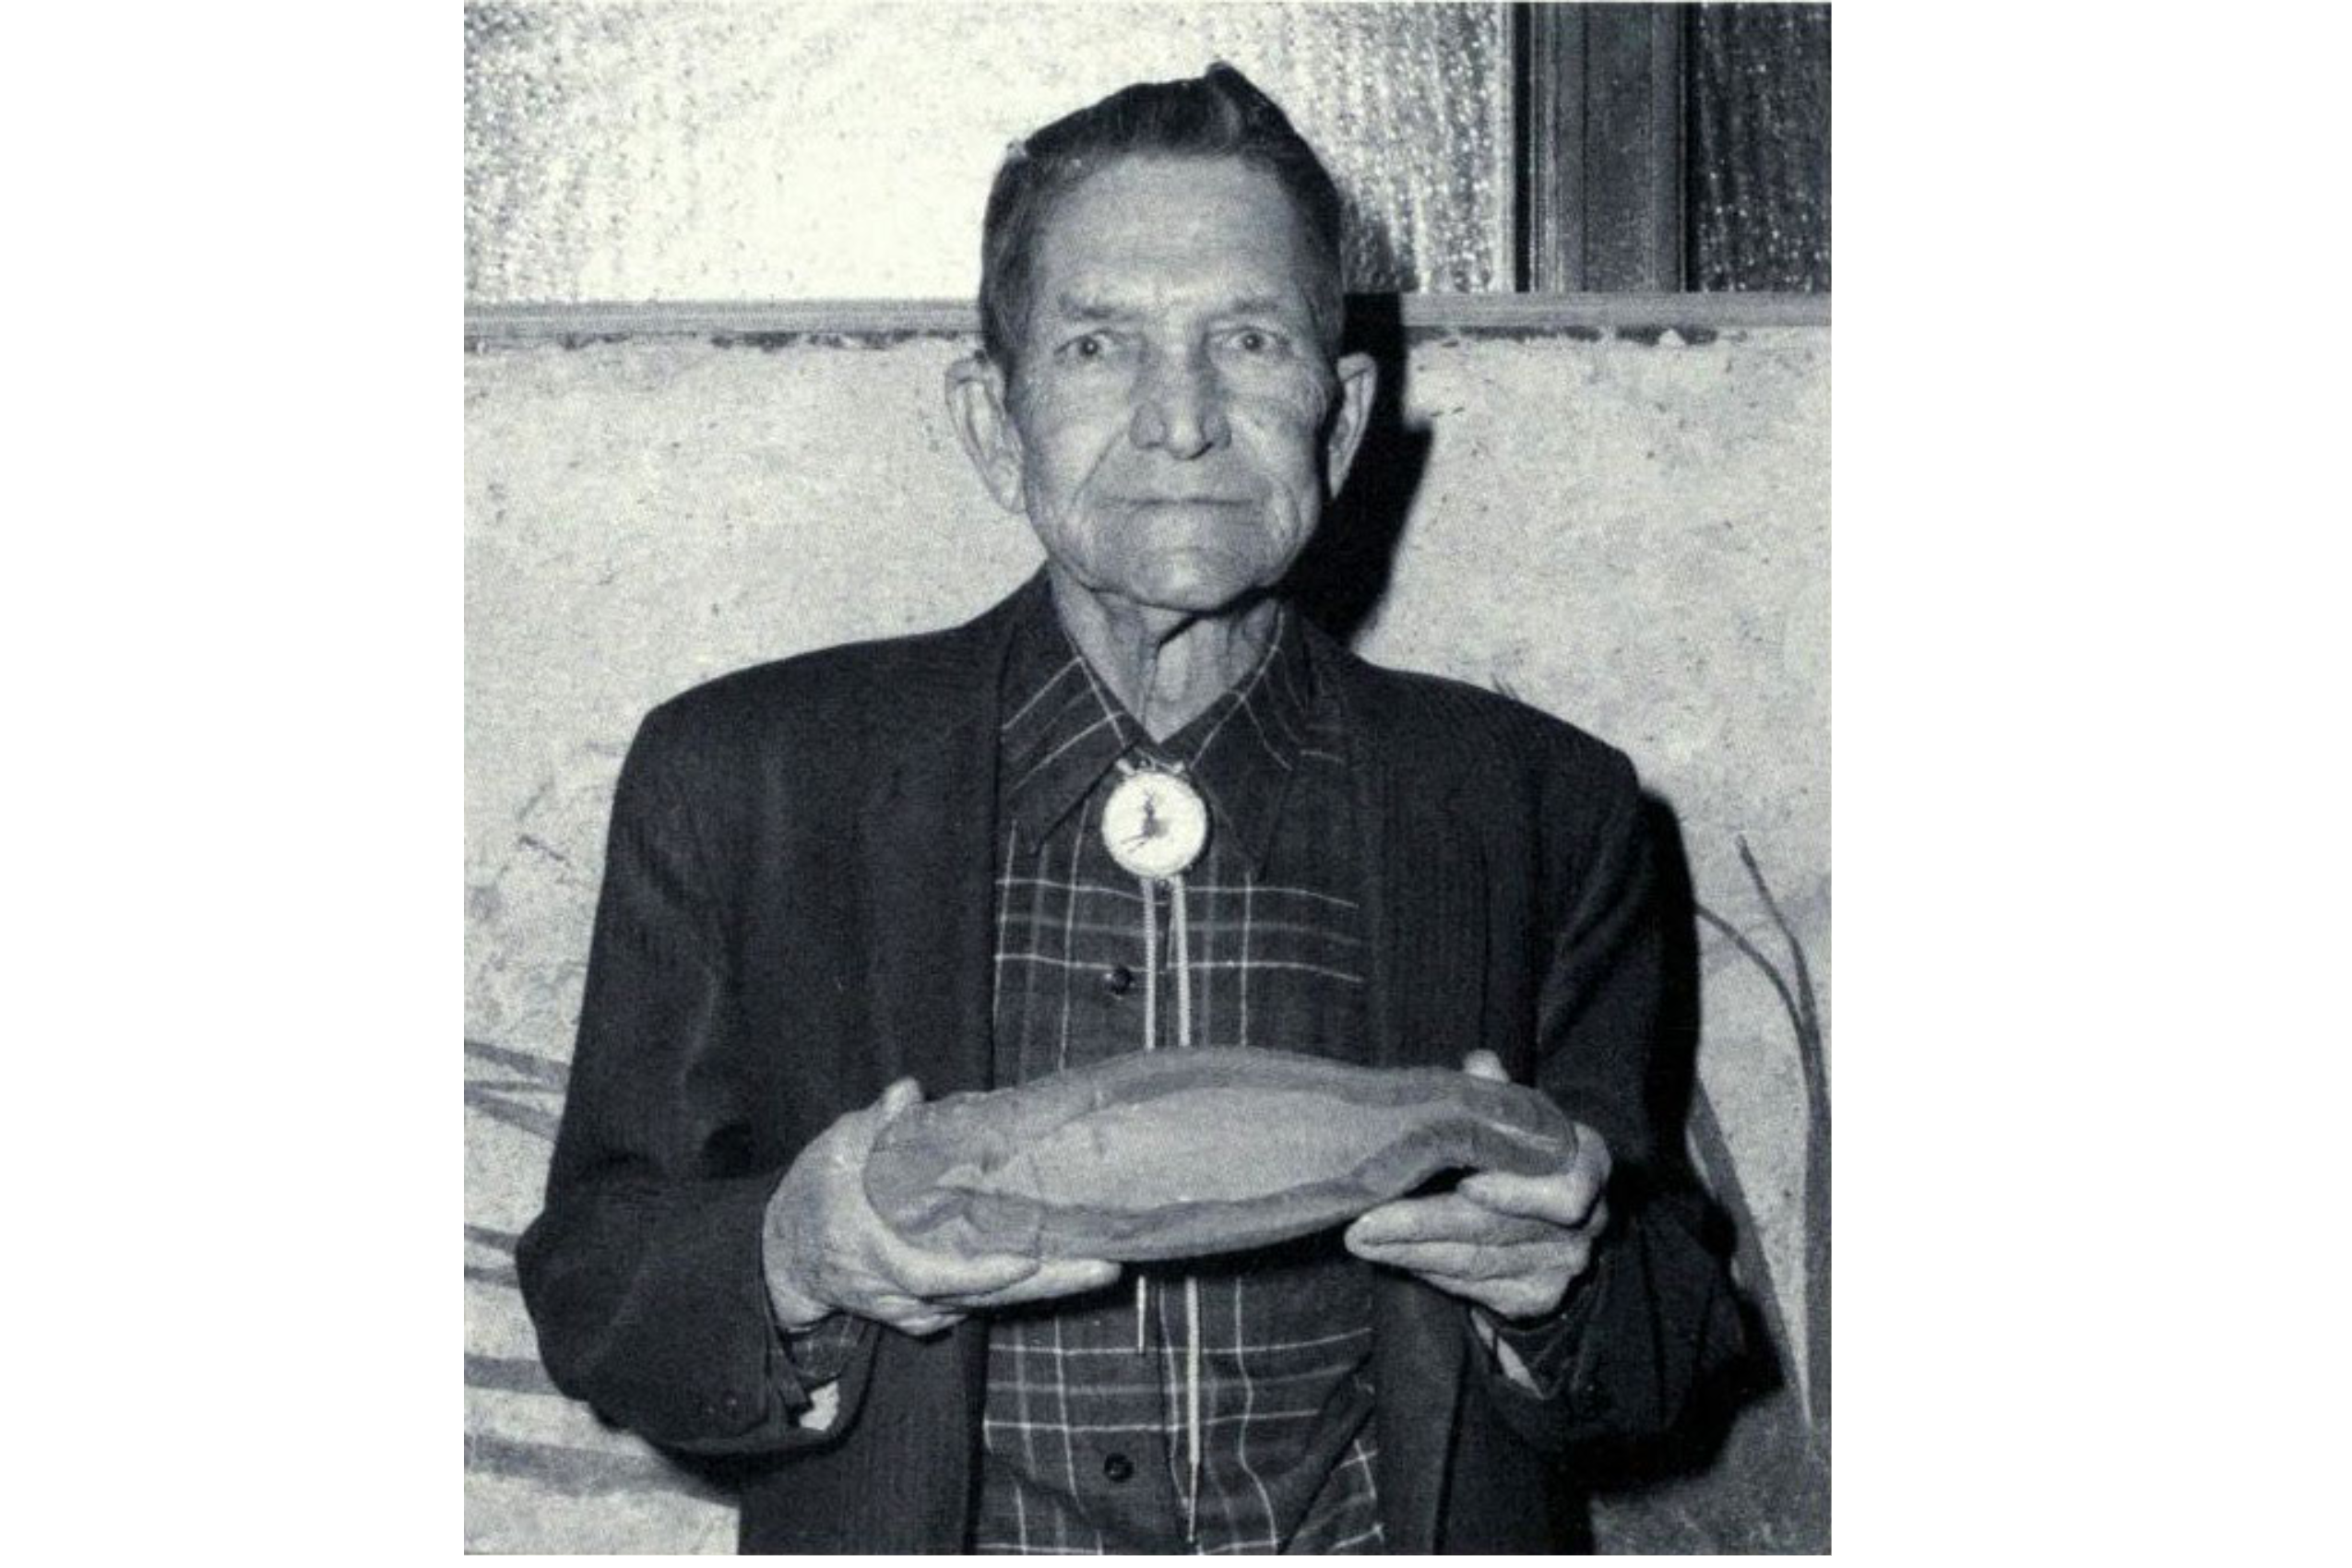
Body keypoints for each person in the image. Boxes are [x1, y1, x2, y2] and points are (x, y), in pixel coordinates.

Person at [517, 64, 1740, 1554]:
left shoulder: (1542, 804)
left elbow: (1672, 1341)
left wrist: (1564, 1276)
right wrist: (795, 1250)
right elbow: (597, 1287)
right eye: (1100, 345)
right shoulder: (743, 779)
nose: (1181, 423)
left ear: (1339, 418)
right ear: (992, 416)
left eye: (1245, 340)